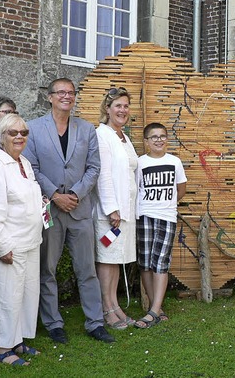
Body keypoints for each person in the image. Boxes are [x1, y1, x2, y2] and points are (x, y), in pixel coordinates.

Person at [23, 78, 114, 344]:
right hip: (50, 209)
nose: (67, 96)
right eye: (61, 92)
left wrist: (74, 194)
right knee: (47, 270)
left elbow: (94, 167)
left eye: (71, 93)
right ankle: (53, 324)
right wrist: (54, 195)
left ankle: (95, 323)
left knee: (86, 269)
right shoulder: (34, 128)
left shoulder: (86, 129)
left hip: (79, 208)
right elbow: (32, 167)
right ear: (49, 97)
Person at [0, 114, 43, 366]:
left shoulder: (24, 163)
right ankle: (3, 349)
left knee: (27, 294)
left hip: (31, 241)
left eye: (23, 133)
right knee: (7, 296)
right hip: (11, 245)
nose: (19, 137)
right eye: (13, 133)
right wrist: (2, 246)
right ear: (2, 136)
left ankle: (18, 340)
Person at [93, 87, 138, 330]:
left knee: (117, 259)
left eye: (126, 106)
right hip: (111, 214)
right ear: (107, 109)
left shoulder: (123, 136)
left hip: (126, 211)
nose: (123, 110)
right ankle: (106, 308)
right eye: (118, 105)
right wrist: (111, 209)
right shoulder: (103, 134)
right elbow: (103, 175)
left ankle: (115, 305)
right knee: (107, 260)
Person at [136, 122, 187, 327]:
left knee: (161, 262)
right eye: (154, 137)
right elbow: (136, 189)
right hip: (144, 216)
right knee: (146, 263)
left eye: (162, 136)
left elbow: (180, 189)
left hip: (166, 217)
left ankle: (155, 310)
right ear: (146, 141)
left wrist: (166, 205)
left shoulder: (174, 161)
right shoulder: (140, 163)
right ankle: (155, 307)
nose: (159, 140)